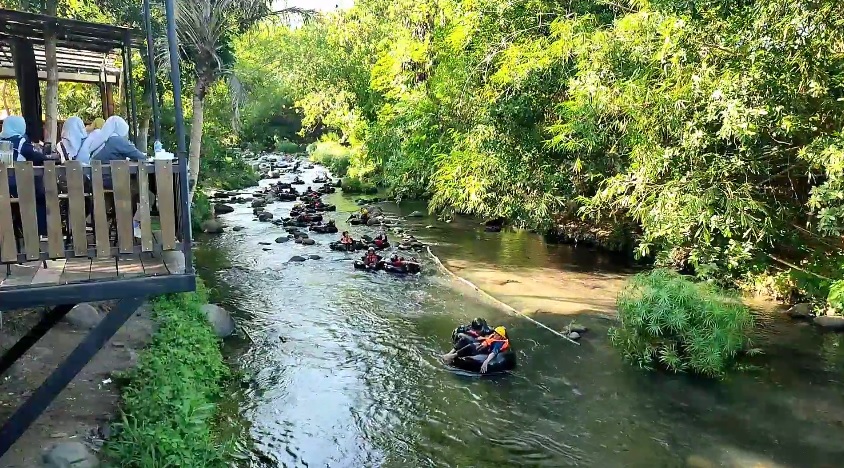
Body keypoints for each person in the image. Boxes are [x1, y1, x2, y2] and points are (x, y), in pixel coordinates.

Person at [443, 326, 509, 373]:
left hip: (486, 352)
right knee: (464, 340)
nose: (494, 334)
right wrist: (483, 338)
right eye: (494, 332)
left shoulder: (499, 343)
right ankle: (450, 353)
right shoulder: (495, 337)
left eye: (496, 334)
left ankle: (453, 356)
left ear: (500, 336)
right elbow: (490, 339)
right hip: (484, 346)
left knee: (471, 347)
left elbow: (493, 353)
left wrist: (486, 362)